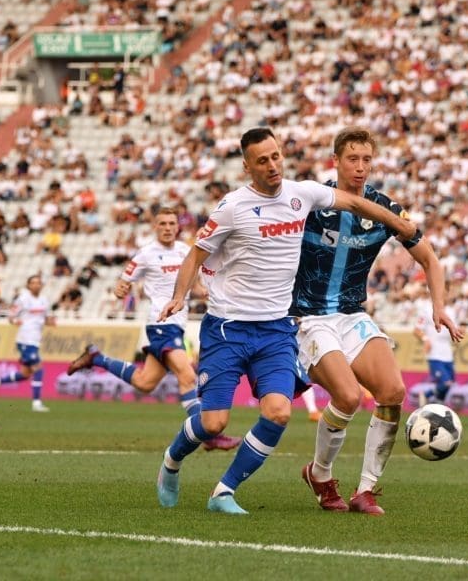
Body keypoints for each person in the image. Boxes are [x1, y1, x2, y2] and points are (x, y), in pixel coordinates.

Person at [154, 127, 418, 515]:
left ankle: (223, 492)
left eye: (276, 156)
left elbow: (354, 204)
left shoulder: (302, 194)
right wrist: (179, 296)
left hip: (277, 328)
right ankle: (172, 461)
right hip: (228, 328)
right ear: (248, 167)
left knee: (278, 412)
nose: (273, 165)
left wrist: (399, 223)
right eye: (262, 160)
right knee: (213, 424)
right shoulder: (232, 207)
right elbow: (195, 254)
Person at [296, 126, 463, 516]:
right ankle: (320, 475)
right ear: (336, 161)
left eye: (367, 159)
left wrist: (439, 306)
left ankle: (366, 490)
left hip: (352, 315)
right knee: (348, 397)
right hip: (308, 317)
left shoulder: (384, 208)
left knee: (392, 391)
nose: (360, 167)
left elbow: (430, 259)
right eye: (352, 159)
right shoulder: (311, 202)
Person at [67, 207, 241, 451]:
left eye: (171, 223)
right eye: (162, 224)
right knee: (187, 376)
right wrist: (120, 289)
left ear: (178, 226)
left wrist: (212, 294)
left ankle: (97, 357)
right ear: (155, 227)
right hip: (161, 324)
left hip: (177, 325)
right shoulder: (146, 254)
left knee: (145, 382)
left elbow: (195, 288)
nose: (168, 228)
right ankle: (208, 434)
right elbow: (123, 281)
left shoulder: (185, 251)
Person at [0, 274, 55, 412]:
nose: (36, 285)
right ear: (28, 285)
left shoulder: (44, 300)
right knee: (38, 368)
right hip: (25, 339)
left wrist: (51, 322)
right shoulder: (23, 299)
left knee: (25, 374)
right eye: (33, 283)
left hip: (35, 340)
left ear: (41, 285)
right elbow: (11, 316)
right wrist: (15, 321)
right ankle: (36, 403)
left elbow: (48, 319)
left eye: (38, 283)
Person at [414, 287, 459, 408]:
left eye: (446, 293)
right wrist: (425, 339)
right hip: (434, 352)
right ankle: (426, 395)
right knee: (445, 382)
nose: (446, 296)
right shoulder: (427, 309)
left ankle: (439, 405)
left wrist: (459, 332)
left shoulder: (452, 311)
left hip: (447, 352)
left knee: (451, 382)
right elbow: (417, 330)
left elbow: (454, 329)